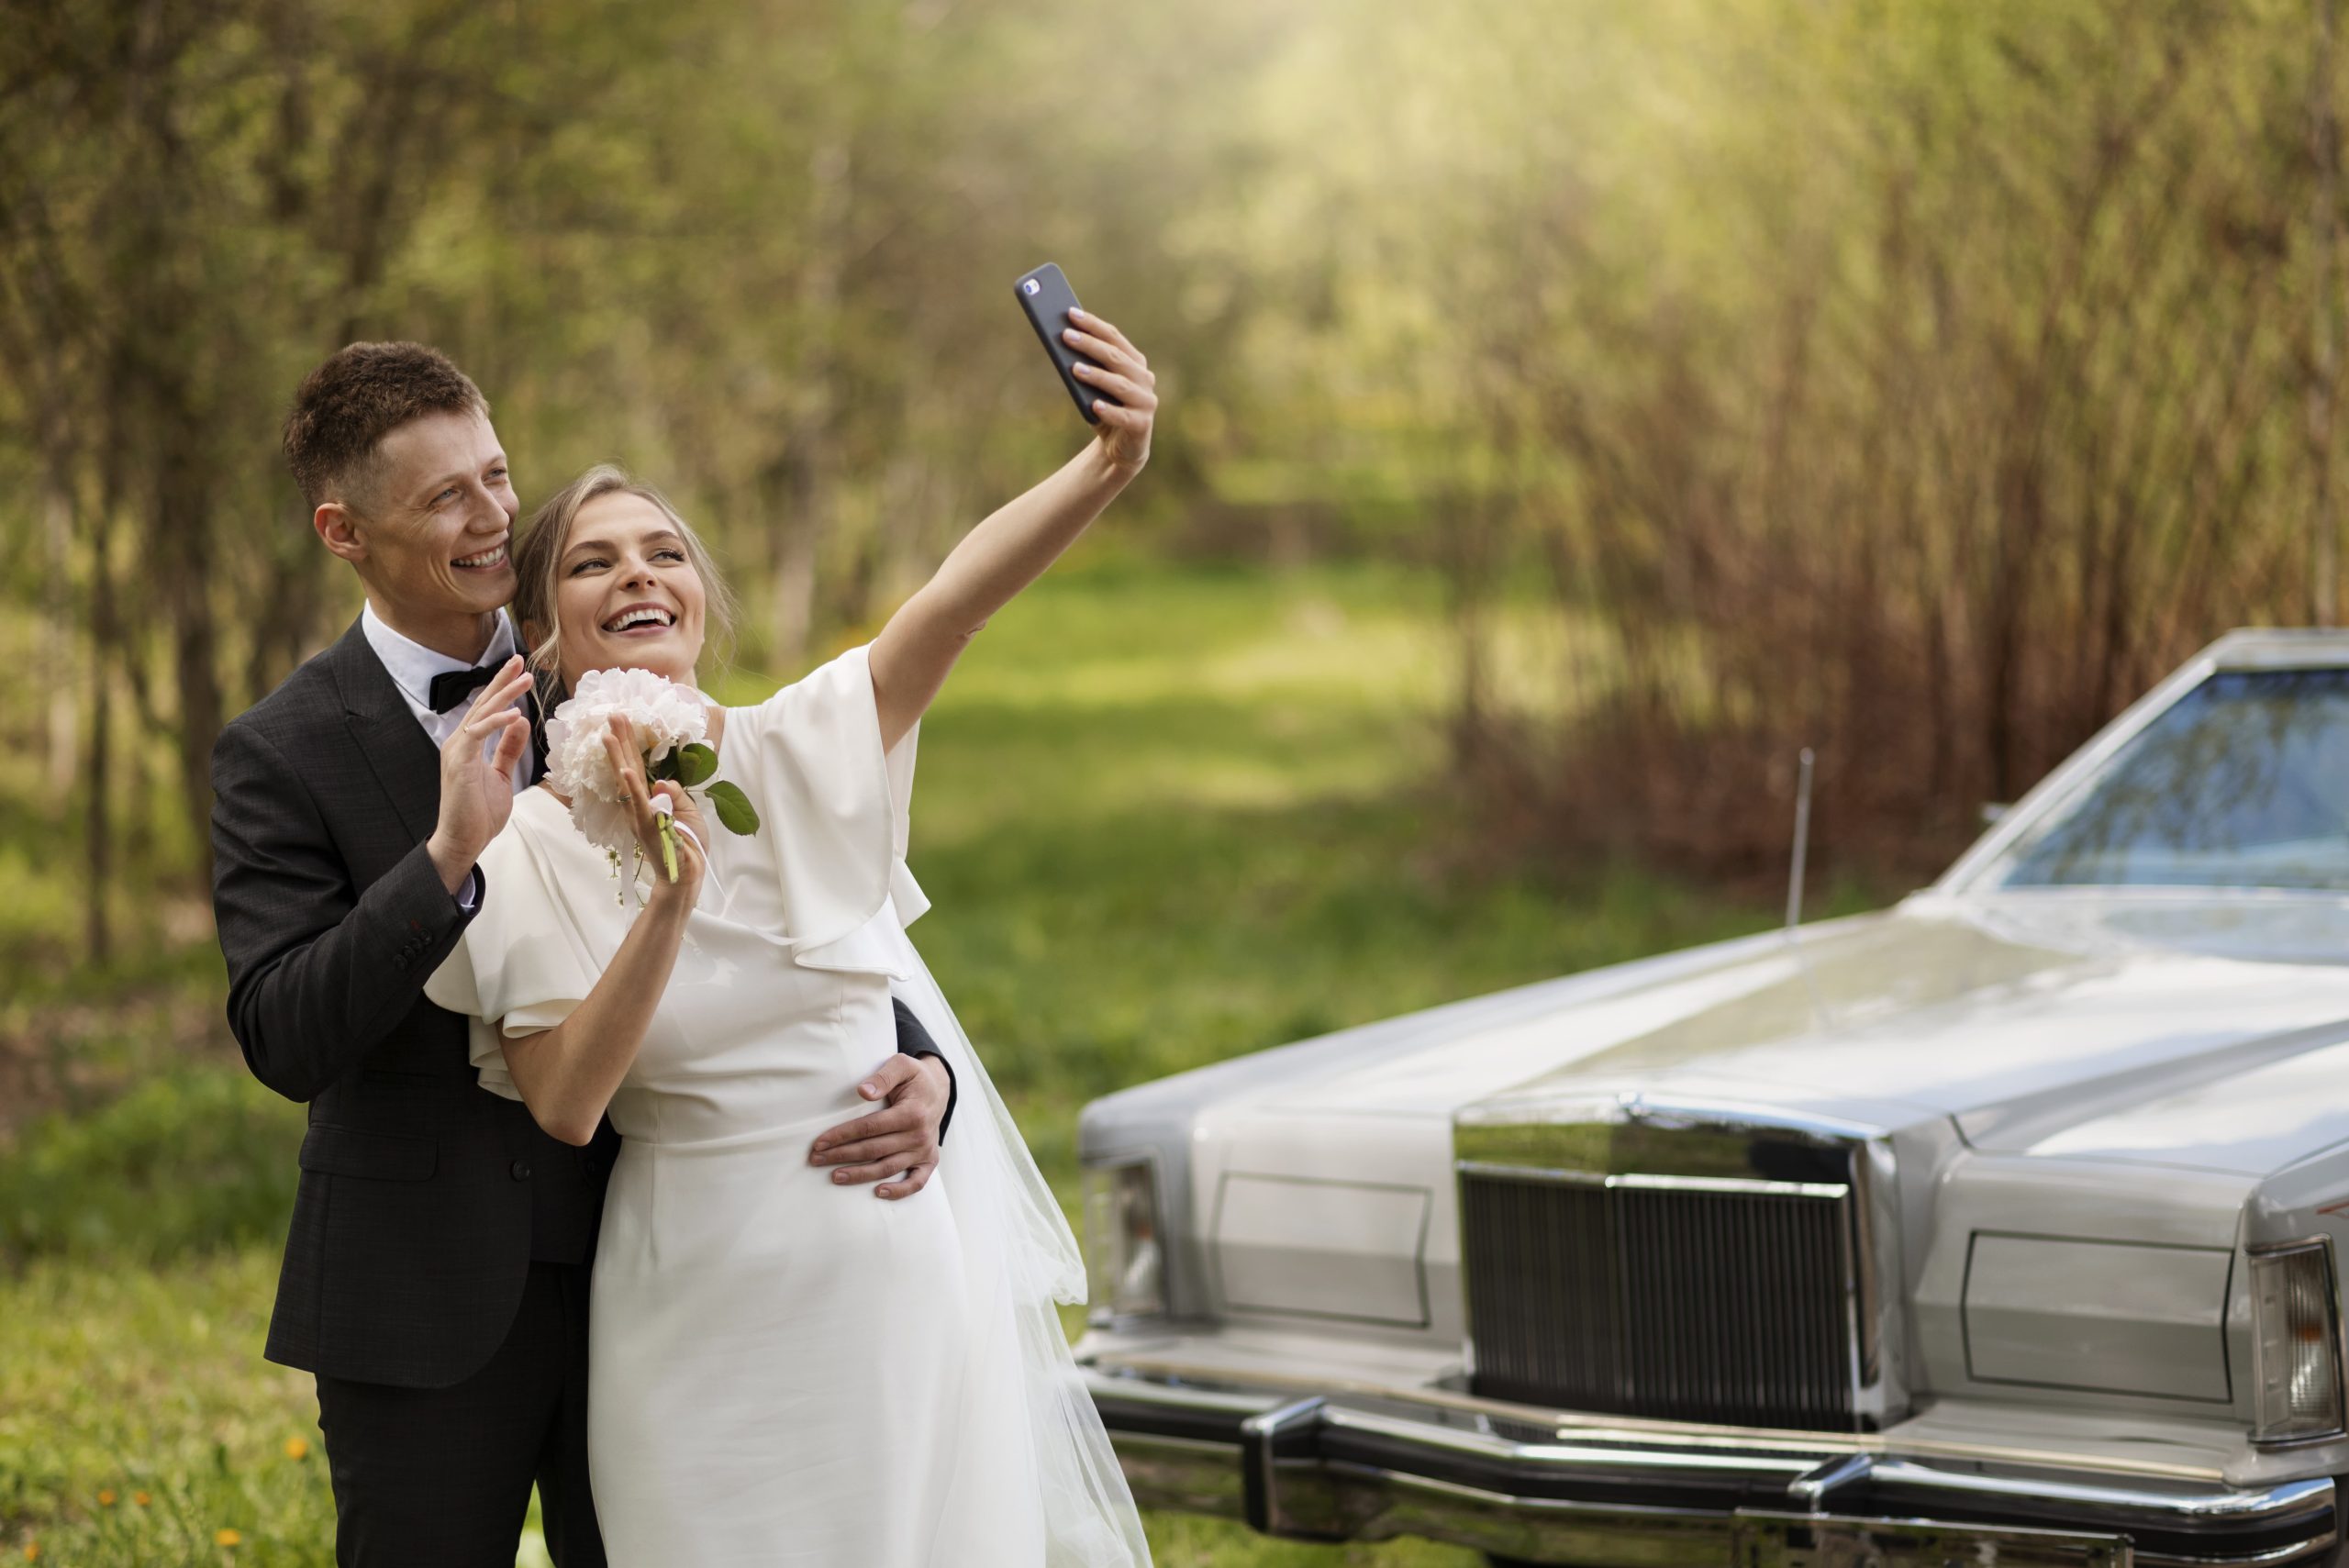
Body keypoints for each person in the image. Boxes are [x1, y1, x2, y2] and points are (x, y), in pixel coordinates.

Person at [421, 305, 1161, 1566]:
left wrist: (1107, 463)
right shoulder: (526, 838)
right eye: (594, 562)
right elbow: (563, 1103)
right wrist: (666, 901)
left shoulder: (795, 746)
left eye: (664, 551)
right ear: (542, 627)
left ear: (700, 598)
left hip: (880, 1278)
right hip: (689, 1302)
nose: (640, 572)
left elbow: (955, 602)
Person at [207, 341, 956, 1568]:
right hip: (424, 1298)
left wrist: (924, 1067)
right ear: (342, 530)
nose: (494, 514)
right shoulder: (281, 749)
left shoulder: (614, 662)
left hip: (659, 1264)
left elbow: (777, 899)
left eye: (496, 474)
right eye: (444, 496)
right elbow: (283, 1032)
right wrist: (446, 854)